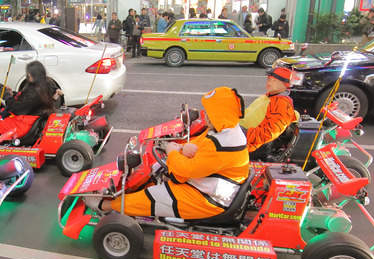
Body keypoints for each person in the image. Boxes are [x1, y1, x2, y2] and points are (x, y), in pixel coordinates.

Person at [102, 87, 249, 220]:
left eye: (209, 112)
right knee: (155, 176)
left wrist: (172, 151)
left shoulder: (223, 145)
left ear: (220, 114)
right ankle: (124, 198)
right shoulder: (226, 130)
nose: (205, 115)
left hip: (209, 199)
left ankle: (107, 206)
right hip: (208, 184)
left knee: (153, 196)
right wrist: (180, 149)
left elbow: (185, 171)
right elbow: (196, 145)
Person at [0, 61, 61, 141]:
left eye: (29, 75)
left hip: (21, 125)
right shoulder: (46, 83)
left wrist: (5, 95)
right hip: (29, 118)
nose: (28, 76)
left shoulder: (35, 91)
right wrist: (12, 94)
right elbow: (24, 100)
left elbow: (15, 108)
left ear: (30, 75)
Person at [239, 68, 298, 156]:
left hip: (251, 142)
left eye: (274, 81)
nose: (269, 83)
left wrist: (244, 134)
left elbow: (269, 133)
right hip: (240, 131)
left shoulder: (282, 104)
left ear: (285, 85)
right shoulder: (268, 97)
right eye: (269, 79)